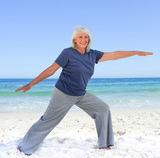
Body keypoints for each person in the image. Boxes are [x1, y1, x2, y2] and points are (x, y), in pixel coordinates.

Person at [15, 26, 153, 155]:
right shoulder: (68, 53)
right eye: (80, 37)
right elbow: (51, 70)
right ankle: (25, 147)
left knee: (103, 108)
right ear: (75, 40)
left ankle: (104, 143)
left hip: (80, 93)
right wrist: (31, 84)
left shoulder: (93, 54)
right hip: (63, 93)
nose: (83, 40)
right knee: (48, 120)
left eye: (86, 37)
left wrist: (135, 53)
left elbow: (114, 55)